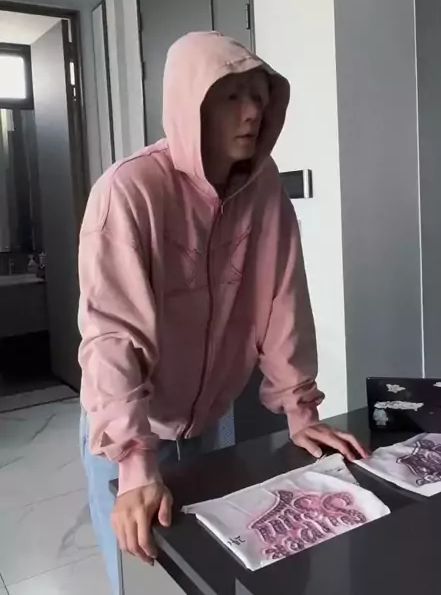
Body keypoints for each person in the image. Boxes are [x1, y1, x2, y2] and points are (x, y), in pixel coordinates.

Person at [78, 31, 367, 594]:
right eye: (232, 95)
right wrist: (134, 462)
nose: (252, 111)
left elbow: (284, 302)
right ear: (192, 104)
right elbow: (112, 335)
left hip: (213, 420)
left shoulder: (265, 191)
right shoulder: (129, 191)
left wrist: (301, 411)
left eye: (258, 94)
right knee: (142, 575)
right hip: (128, 422)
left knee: (212, 571)